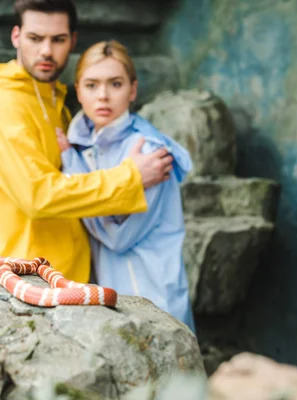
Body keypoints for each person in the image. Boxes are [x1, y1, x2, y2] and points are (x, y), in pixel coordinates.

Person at [0, 0, 173, 284]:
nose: (46, 51)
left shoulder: (55, 100)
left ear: (72, 41)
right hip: (30, 275)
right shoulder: (4, 106)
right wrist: (131, 177)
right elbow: (38, 196)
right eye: (35, 38)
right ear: (16, 36)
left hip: (73, 272)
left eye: (58, 40)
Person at [58, 40, 195, 330]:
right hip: (113, 297)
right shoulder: (83, 147)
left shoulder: (151, 152)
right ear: (78, 91)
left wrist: (70, 168)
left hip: (154, 295)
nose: (103, 96)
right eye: (92, 85)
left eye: (115, 84)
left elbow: (118, 237)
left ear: (133, 90)